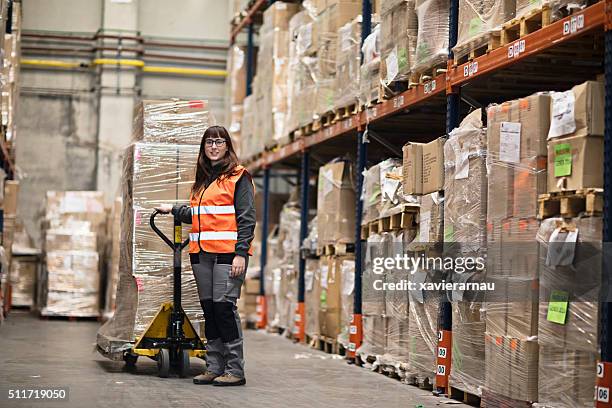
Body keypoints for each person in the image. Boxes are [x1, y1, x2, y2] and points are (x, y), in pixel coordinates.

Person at [156, 125, 255, 386]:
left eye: (219, 142)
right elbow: (200, 214)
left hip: (228, 255)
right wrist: (173, 209)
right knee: (209, 310)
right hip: (201, 254)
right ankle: (214, 366)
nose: (213, 146)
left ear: (227, 146)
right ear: (204, 147)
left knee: (224, 309)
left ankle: (235, 370)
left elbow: (247, 219)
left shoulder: (238, 177)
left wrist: (241, 254)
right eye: (209, 142)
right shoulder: (202, 182)